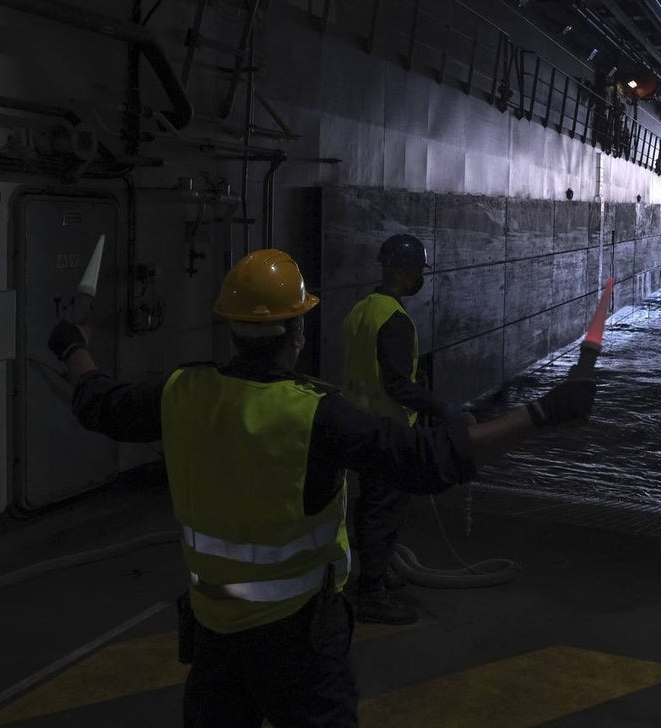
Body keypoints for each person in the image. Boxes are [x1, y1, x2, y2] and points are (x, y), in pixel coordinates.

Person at [46, 248, 596, 727]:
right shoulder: (317, 417)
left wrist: (75, 346)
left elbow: (97, 402)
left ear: (231, 327)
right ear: (298, 332)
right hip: (299, 639)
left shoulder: (179, 394)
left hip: (214, 629)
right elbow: (433, 460)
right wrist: (544, 411)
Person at [341, 233, 444, 625]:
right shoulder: (395, 320)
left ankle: (376, 574)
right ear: (403, 271)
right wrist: (442, 408)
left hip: (359, 424)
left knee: (370, 506)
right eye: (418, 270)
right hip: (388, 429)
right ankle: (371, 592)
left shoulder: (362, 309)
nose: (420, 277)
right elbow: (398, 385)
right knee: (384, 510)